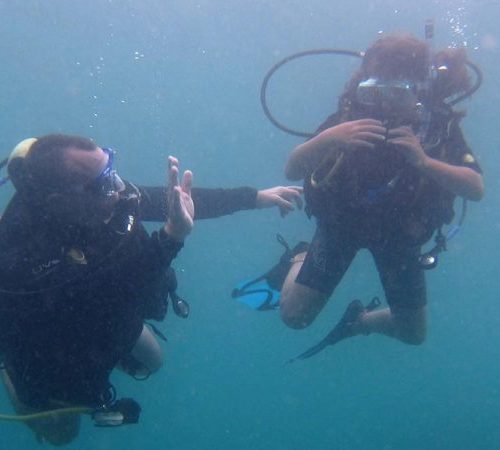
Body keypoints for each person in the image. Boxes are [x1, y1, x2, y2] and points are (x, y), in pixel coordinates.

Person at [0, 134, 301, 445]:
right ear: (60, 202)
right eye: (105, 182)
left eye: (112, 168)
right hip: (50, 342)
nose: (120, 187)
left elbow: (171, 202)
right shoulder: (20, 260)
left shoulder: (102, 196)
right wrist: (171, 237)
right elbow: (104, 297)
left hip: (104, 313)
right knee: (62, 433)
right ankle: (9, 373)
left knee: (152, 361)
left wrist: (254, 198)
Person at [277, 34, 484, 351]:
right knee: (295, 317)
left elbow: (475, 188)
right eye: (373, 92)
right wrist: (330, 137)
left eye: (396, 93)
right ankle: (300, 256)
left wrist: (424, 161)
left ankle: (359, 322)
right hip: (341, 225)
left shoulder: (436, 128)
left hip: (400, 235)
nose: (383, 104)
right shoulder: (349, 117)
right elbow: (292, 169)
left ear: (418, 91)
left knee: (413, 334)